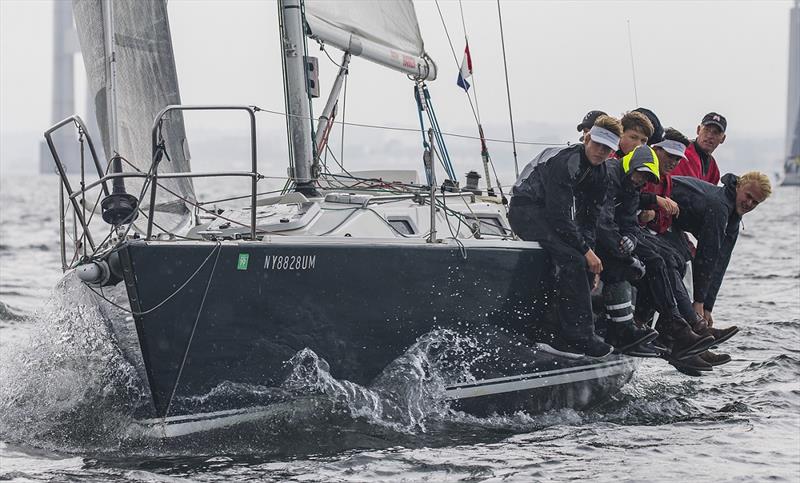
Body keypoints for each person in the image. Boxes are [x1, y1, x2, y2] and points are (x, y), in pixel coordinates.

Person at [509, 115, 623, 357]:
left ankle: (554, 332)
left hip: (551, 216)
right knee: (572, 257)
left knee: (580, 258)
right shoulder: (566, 161)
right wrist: (585, 253)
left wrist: (591, 261)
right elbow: (559, 215)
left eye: (608, 148)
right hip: (525, 208)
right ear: (588, 138)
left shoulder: (601, 173)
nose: (601, 152)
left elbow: (589, 221)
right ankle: (580, 336)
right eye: (598, 144)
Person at [635, 129, 737, 372]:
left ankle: (685, 337)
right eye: (668, 155)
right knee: (662, 259)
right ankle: (678, 329)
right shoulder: (640, 168)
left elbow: (661, 222)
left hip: (653, 230)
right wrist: (650, 208)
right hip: (629, 231)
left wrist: (706, 303)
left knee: (678, 259)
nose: (673, 162)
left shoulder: (697, 171)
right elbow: (629, 200)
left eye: (678, 159)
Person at [670, 171, 772, 329]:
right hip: (657, 207)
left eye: (755, 202)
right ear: (738, 186)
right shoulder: (720, 206)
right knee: (681, 264)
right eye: (748, 196)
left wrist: (707, 306)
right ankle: (688, 325)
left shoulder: (733, 219)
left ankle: (694, 329)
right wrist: (698, 301)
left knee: (689, 264)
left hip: (675, 224)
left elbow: (721, 262)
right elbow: (707, 254)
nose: (749, 204)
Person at [595, 144, 664, 356]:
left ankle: (627, 328)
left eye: (646, 178)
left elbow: (629, 221)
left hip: (605, 238)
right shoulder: (610, 173)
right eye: (640, 173)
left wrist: (631, 240)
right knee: (621, 268)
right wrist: (621, 248)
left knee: (644, 265)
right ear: (632, 165)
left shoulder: (633, 187)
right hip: (588, 234)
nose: (641, 180)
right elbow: (602, 218)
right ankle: (622, 331)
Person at [670, 112, 726, 184]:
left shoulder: (714, 169)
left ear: (723, 139)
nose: (709, 136)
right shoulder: (682, 154)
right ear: (698, 130)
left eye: (716, 132)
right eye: (706, 130)